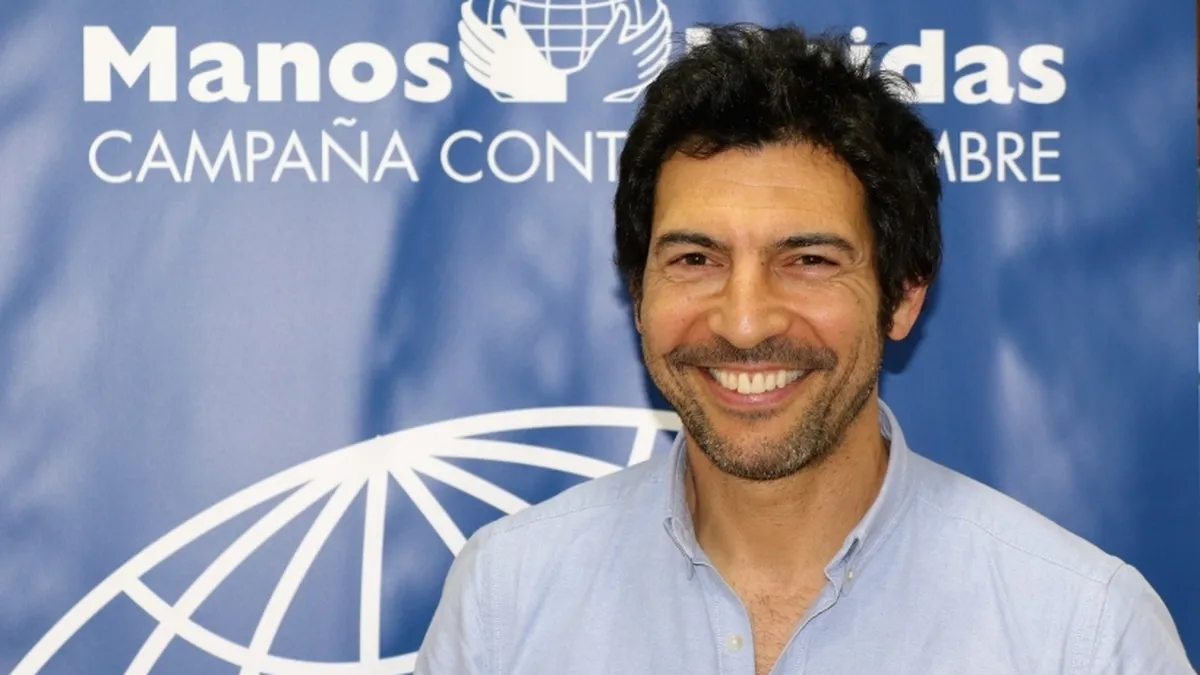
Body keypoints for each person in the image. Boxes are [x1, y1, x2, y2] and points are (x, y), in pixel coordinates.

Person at [415, 23, 1195, 675]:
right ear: (638, 290)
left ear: (905, 293)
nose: (744, 322)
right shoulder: (504, 601)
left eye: (809, 260)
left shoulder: (1084, 634)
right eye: (696, 258)